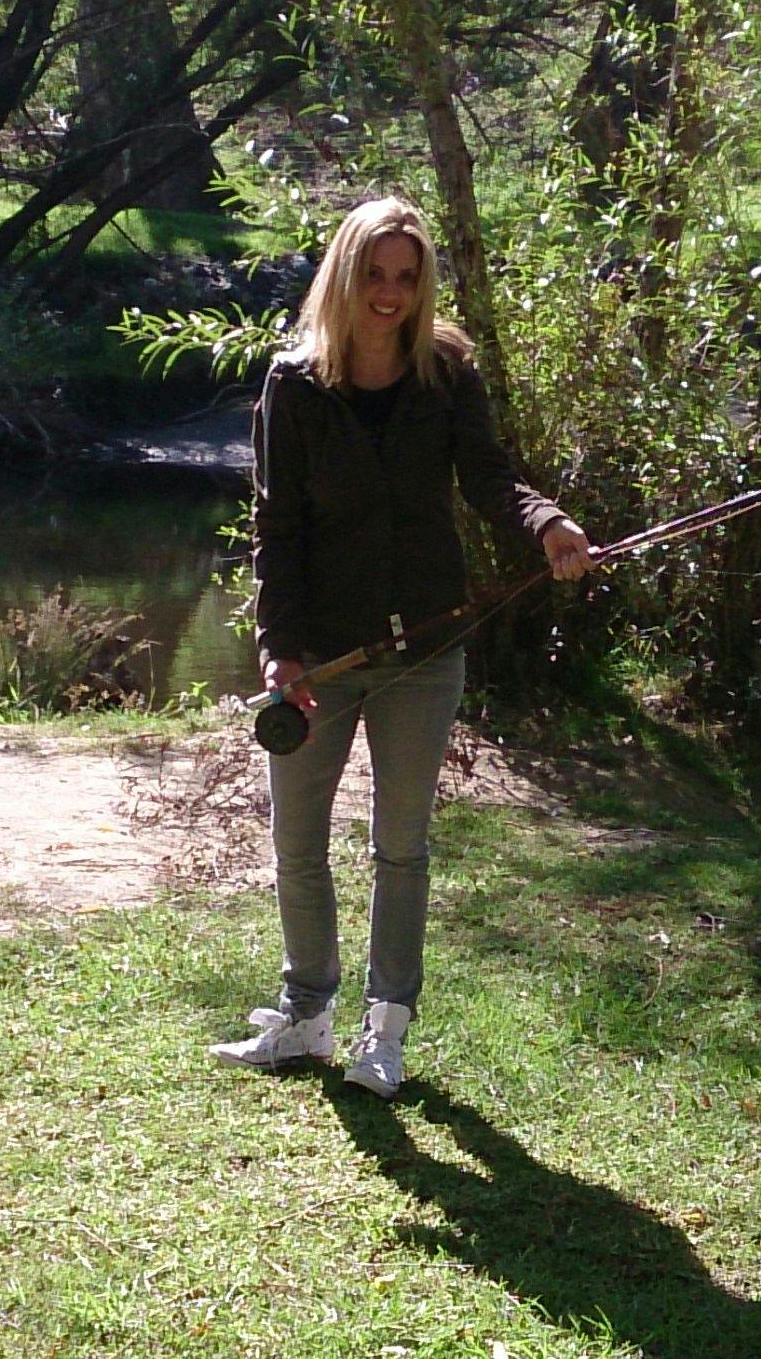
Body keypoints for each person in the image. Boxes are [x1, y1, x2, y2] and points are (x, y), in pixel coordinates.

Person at [213, 195, 592, 1094]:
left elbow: (491, 479)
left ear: (424, 284)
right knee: (298, 843)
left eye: (407, 275)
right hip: (325, 655)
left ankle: (386, 1030)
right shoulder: (293, 384)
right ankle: (306, 1016)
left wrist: (550, 526)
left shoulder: (447, 371)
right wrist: (281, 649)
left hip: (425, 646)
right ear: (347, 273)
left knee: (401, 846)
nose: (391, 292)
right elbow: (278, 527)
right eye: (377, 273)